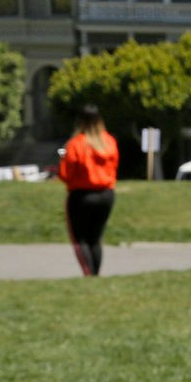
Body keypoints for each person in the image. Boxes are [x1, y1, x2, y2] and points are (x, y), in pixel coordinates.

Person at [58, 105, 118, 277]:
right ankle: (95, 275)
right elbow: (114, 167)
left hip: (81, 195)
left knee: (80, 239)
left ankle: (89, 276)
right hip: (106, 194)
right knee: (95, 238)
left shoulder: (76, 144)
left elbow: (65, 174)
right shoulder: (109, 142)